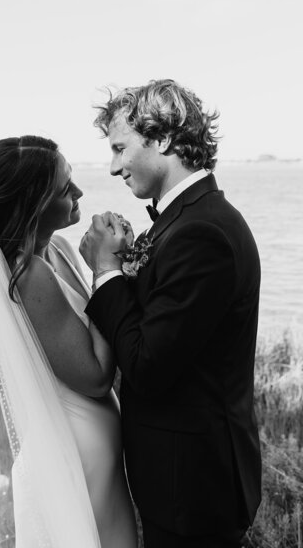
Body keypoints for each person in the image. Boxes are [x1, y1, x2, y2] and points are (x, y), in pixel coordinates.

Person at [0, 136, 137, 548]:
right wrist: (104, 270)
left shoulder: (56, 249)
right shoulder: (26, 274)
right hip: (73, 457)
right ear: (33, 204)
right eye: (64, 189)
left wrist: (118, 269)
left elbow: (97, 318)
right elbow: (95, 377)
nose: (78, 193)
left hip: (97, 454)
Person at [79, 79, 262, 548]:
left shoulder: (202, 234)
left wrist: (106, 271)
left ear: (161, 139)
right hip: (180, 483)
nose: (114, 166)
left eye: (121, 148)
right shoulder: (185, 221)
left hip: (195, 488)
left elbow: (146, 366)